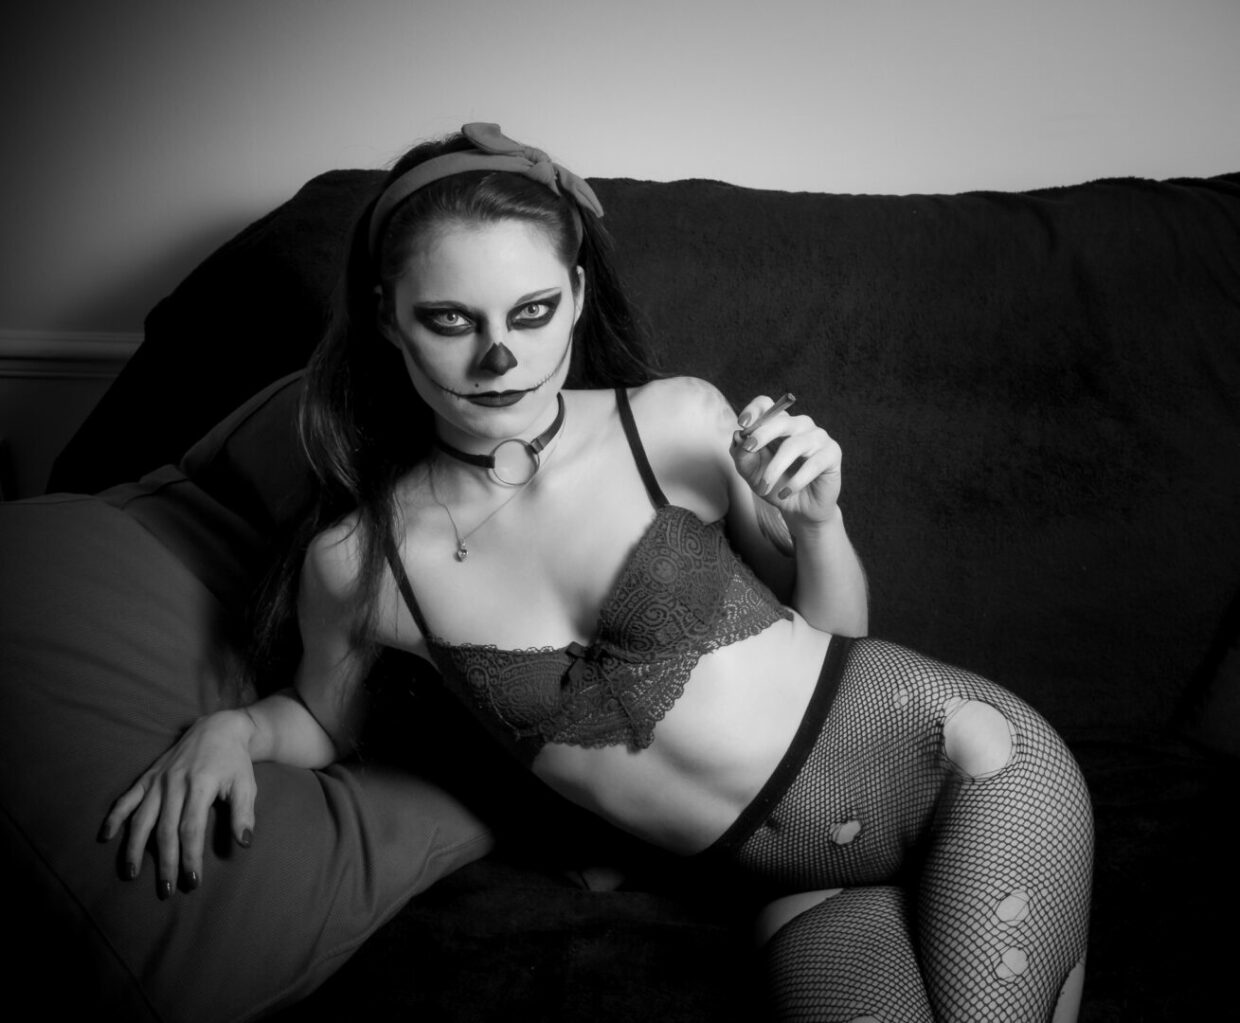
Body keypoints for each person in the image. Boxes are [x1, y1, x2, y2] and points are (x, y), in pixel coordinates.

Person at [99, 122, 1093, 1021]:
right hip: (801, 887)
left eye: (532, 310)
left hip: (961, 763)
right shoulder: (363, 562)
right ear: (388, 318)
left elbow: (835, 643)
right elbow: (324, 722)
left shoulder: (671, 420)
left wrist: (816, 521)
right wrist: (232, 731)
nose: (500, 356)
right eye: (451, 319)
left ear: (575, 296)